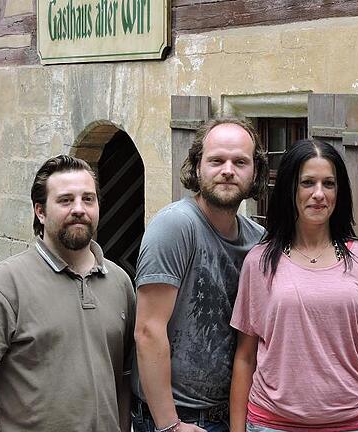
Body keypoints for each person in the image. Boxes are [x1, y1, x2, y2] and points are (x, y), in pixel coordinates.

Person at [0, 155, 136, 431]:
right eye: (65, 200)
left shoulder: (120, 282)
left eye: (88, 199)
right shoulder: (4, 284)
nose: (79, 209)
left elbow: (123, 378)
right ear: (40, 211)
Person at [229, 139, 358, 432]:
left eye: (328, 184)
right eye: (308, 183)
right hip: (271, 424)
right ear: (290, 190)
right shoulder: (260, 262)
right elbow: (245, 357)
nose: (319, 194)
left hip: (353, 425)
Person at [132, 118, 268, 432]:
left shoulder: (258, 239)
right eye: (216, 160)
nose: (228, 170)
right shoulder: (176, 226)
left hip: (231, 414)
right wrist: (170, 425)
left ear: (256, 172)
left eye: (240, 162)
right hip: (175, 417)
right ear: (196, 168)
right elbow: (148, 331)